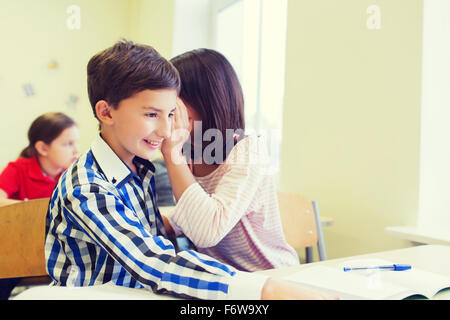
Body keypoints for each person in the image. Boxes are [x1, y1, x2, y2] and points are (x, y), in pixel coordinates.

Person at [44, 39, 335, 300]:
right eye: (151, 114)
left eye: (172, 113)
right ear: (106, 112)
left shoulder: (142, 170)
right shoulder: (89, 187)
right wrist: (262, 290)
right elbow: (153, 260)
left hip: (254, 278)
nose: (166, 128)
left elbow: (166, 238)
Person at [160, 48, 299, 272]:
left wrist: (172, 154)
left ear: (206, 101)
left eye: (173, 104)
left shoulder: (248, 151)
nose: (166, 113)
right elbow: (195, 210)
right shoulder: (189, 152)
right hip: (226, 281)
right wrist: (169, 223)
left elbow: (207, 230)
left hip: (270, 276)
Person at [0, 111, 79, 299]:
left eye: (75, 143)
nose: (76, 150)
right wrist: (30, 209)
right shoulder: (18, 169)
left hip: (57, 249)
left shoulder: (71, 176)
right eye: (68, 144)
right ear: (43, 148)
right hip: (19, 250)